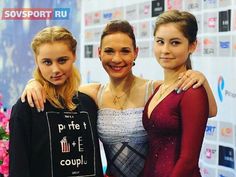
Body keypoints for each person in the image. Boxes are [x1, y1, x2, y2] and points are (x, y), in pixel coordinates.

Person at [20, 20, 217, 177]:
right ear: (99, 54)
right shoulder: (91, 94)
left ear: (135, 53)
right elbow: (59, 86)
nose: (116, 59)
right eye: (109, 51)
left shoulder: (156, 89)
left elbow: (208, 111)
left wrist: (201, 79)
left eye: (124, 51)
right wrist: (33, 82)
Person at [9, 26, 104, 177]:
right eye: (47, 62)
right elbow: (18, 168)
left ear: (74, 56)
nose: (55, 69)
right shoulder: (27, 106)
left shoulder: (88, 103)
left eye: (62, 60)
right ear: (37, 61)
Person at [142, 10, 211, 177]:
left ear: (192, 46)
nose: (165, 50)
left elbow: (188, 161)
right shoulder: (159, 88)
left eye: (174, 43)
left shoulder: (192, 91)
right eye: (160, 42)